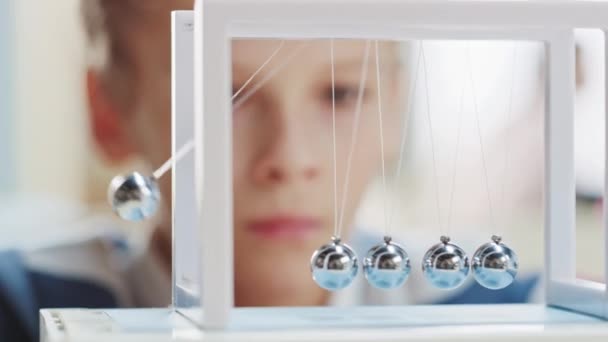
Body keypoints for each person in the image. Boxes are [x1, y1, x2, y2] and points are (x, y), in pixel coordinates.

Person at [0, 1, 540, 341]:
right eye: (224, 95)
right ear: (107, 112)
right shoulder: (25, 307)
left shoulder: (499, 309)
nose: (288, 158)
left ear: (395, 110)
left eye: (341, 93)